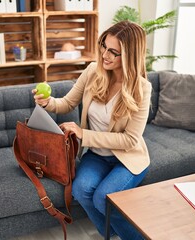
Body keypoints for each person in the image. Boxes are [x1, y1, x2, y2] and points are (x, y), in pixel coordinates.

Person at [33, 20, 151, 240]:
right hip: (97, 156)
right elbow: (67, 103)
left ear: (129, 55)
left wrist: (83, 134)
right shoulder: (92, 71)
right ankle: (113, 234)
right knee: (81, 191)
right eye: (104, 46)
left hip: (127, 159)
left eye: (113, 52)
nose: (105, 55)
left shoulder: (142, 88)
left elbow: (130, 140)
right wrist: (48, 102)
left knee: (103, 198)